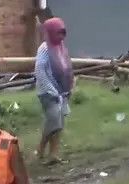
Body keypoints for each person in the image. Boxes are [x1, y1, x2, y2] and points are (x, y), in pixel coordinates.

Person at [35, 17, 74, 164]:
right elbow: (40, 72)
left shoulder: (61, 47)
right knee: (53, 121)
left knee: (59, 124)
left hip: (62, 92)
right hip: (47, 92)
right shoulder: (44, 48)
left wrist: (70, 84)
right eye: (58, 33)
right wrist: (52, 91)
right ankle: (40, 149)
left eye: (62, 33)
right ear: (50, 32)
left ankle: (53, 154)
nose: (61, 36)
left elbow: (67, 66)